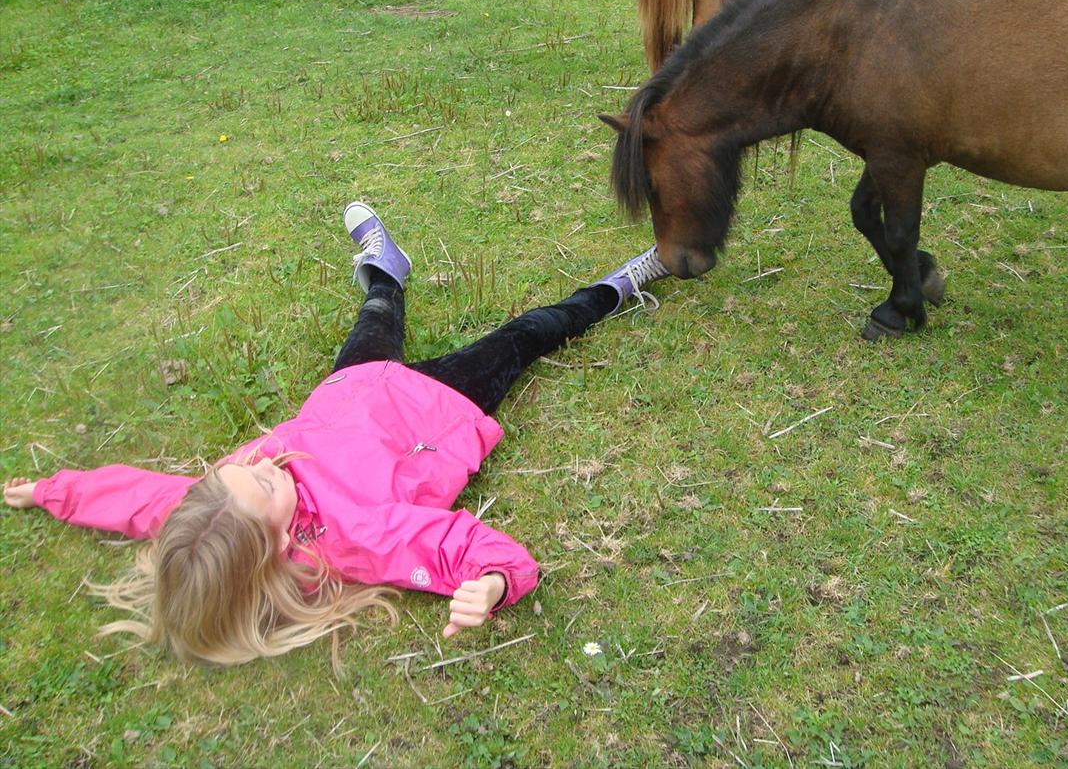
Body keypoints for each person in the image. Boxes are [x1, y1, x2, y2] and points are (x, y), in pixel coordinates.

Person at [2, 202, 671, 667]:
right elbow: (455, 544)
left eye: (248, 465)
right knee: (531, 333)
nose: (272, 460)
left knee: (377, 308)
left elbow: (138, 499)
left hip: (352, 386)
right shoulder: (355, 537)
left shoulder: (213, 512)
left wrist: (53, 490)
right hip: (437, 408)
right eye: (268, 482)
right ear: (274, 543)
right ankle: (623, 282)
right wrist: (494, 583)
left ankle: (386, 262)